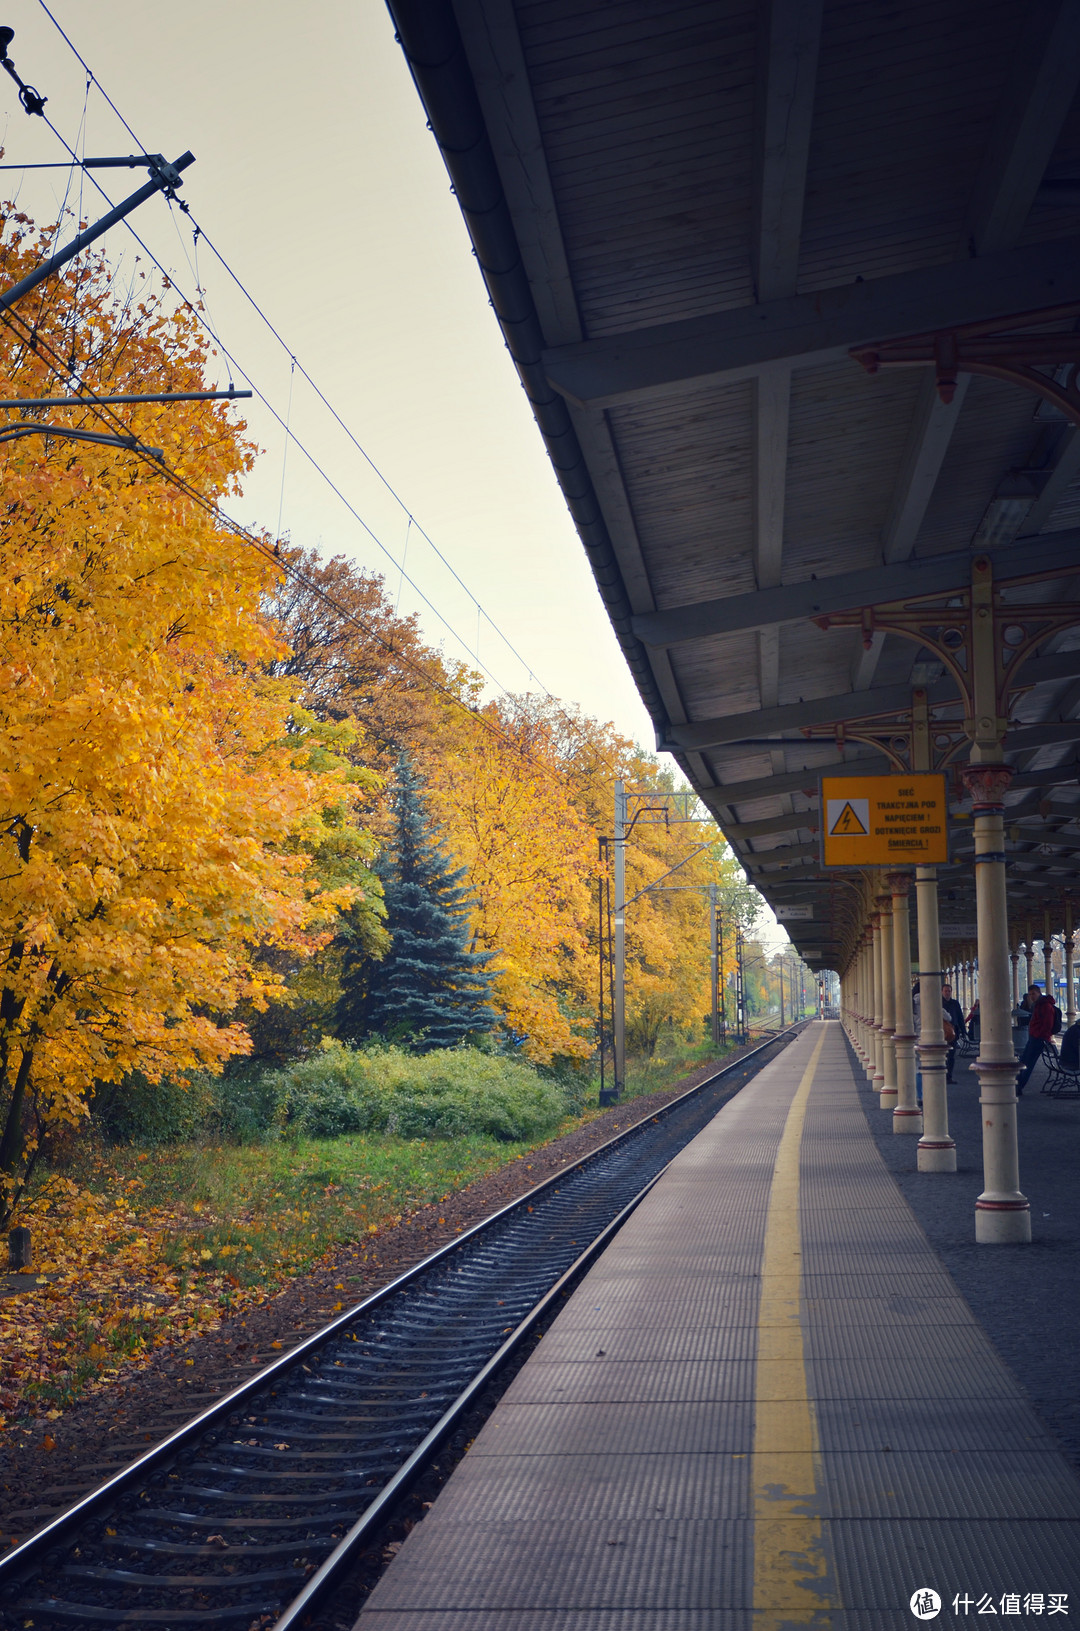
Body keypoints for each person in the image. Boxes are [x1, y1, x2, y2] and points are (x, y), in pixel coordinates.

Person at [1015, 986, 1057, 1096]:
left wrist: (1039, 1034)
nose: (1031, 996)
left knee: (1028, 1063)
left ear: (1039, 993)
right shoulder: (1039, 1005)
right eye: (1030, 994)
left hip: (1038, 1038)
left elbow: (1047, 1025)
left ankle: (1019, 1086)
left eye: (1033, 994)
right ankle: (1016, 1084)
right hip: (1034, 1037)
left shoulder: (1045, 1006)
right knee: (1024, 1061)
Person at [942, 983, 966, 1083]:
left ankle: (949, 1076)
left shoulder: (955, 1003)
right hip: (942, 1033)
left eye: (949, 991)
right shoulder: (939, 1003)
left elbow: (960, 1017)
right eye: (945, 991)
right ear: (942, 992)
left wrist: (963, 1031)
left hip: (953, 1033)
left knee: (951, 1056)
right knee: (943, 1055)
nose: (947, 993)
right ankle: (943, 1076)